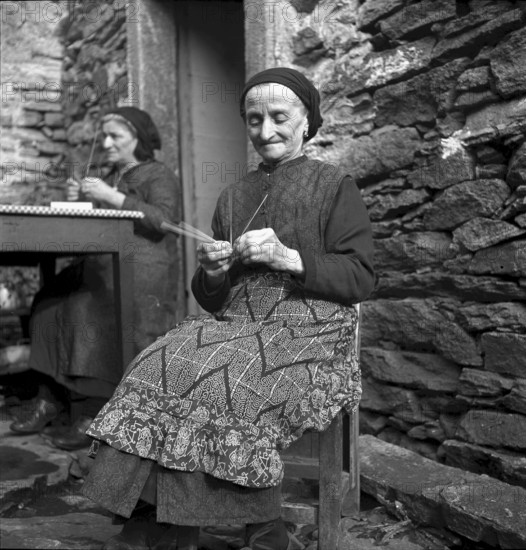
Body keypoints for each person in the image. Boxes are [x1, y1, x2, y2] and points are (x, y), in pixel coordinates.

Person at [82, 68, 375, 550]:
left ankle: (263, 529)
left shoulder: (334, 185)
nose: (266, 131)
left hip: (312, 327)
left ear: (306, 121)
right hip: (239, 320)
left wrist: (289, 257)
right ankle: (164, 518)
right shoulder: (234, 196)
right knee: (158, 362)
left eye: (280, 117)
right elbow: (212, 297)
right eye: (254, 120)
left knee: (229, 380)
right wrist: (214, 272)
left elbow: (362, 276)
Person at [9, 107, 180, 451]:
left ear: (138, 139)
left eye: (115, 136)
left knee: (84, 309)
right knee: (48, 300)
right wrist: (81, 201)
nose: (106, 142)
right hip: (103, 264)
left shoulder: (158, 174)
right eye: (104, 136)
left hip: (141, 267)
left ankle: (92, 415)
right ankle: (50, 396)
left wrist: (110, 197)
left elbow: (164, 220)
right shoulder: (114, 174)